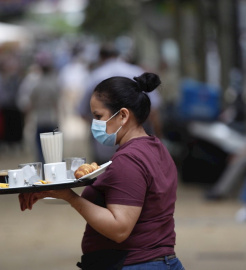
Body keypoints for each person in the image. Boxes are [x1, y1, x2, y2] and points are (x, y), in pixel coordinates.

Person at [18, 72, 184, 270]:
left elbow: (120, 228)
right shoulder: (155, 147)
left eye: (98, 116)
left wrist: (71, 198)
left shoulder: (128, 160)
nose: (93, 123)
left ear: (123, 115)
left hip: (137, 263)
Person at [77, 43, 163, 165]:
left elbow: (83, 112)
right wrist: (157, 137)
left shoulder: (95, 76)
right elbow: (154, 110)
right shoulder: (136, 72)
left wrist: (104, 127)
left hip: (104, 152)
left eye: (99, 116)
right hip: (141, 148)